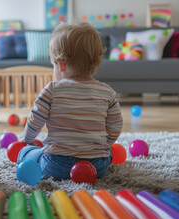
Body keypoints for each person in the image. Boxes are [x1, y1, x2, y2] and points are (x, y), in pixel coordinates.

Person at [17, 22, 123, 180]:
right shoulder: (107, 92)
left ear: (60, 65)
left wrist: (28, 139)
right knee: (107, 154)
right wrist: (105, 146)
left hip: (57, 164)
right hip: (97, 166)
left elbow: (36, 118)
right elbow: (116, 125)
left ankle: (29, 153)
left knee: (26, 153)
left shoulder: (52, 89)